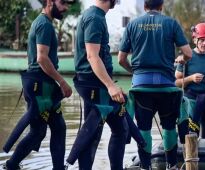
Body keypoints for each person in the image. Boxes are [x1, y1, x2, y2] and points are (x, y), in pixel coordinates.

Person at [118, 0, 192, 169]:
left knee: (143, 128)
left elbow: (121, 59)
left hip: (141, 88)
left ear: (145, 7)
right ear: (161, 6)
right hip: (166, 87)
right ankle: (172, 166)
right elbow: (188, 53)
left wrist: (134, 72)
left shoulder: (133, 25)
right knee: (168, 128)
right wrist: (182, 59)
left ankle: (145, 167)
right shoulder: (171, 23)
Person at [2, 0, 73, 169]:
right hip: (41, 87)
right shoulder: (44, 25)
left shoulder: (43, 23)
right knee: (46, 130)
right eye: (63, 3)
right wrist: (62, 82)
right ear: (49, 2)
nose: (66, 8)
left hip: (39, 84)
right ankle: (12, 164)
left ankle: (13, 164)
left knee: (47, 130)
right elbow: (42, 58)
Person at [65, 0, 129, 169]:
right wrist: (110, 86)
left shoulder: (95, 15)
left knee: (110, 130)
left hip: (94, 82)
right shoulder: (94, 18)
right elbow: (92, 56)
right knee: (117, 130)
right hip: (95, 84)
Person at [175, 23, 205, 139]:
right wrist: (191, 78)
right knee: (192, 134)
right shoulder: (187, 56)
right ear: (194, 39)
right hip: (192, 100)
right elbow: (177, 82)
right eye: (202, 40)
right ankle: (190, 154)